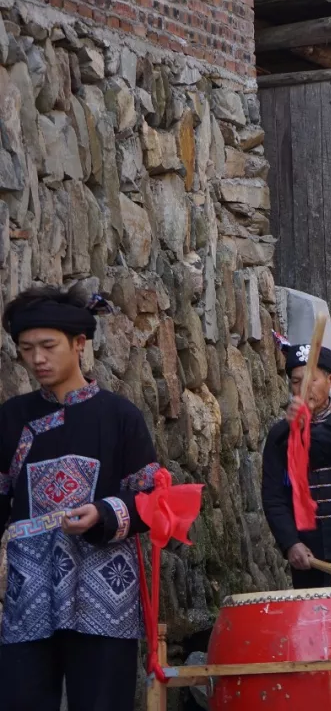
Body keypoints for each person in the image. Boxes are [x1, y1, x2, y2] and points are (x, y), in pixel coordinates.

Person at [0, 287, 165, 711]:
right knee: (21, 698)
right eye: (26, 349)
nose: (38, 359)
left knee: (102, 702)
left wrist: (105, 513)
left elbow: (152, 497)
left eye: (48, 346)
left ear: (79, 343)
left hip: (104, 592)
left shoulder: (119, 416)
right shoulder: (11, 419)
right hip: (30, 591)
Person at [262, 333, 331, 589]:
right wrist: (291, 542)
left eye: (312, 380)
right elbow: (274, 497)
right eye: (296, 381)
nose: (304, 389)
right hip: (308, 552)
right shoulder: (280, 435)